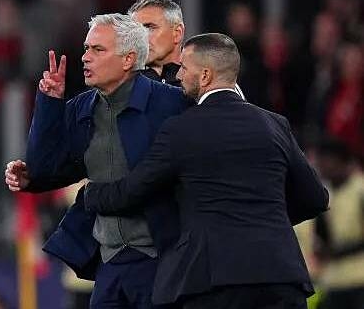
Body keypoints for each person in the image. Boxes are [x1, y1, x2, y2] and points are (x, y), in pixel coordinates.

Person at [83, 33, 329, 309]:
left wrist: (91, 194)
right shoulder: (275, 124)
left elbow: (133, 191)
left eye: (184, 67)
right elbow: (316, 198)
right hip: (280, 275)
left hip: (213, 280)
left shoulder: (181, 129)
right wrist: (266, 220)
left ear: (205, 75)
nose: (178, 76)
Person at [5, 14, 189, 308]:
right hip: (109, 261)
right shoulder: (83, 107)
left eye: (97, 49)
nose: (85, 57)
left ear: (128, 59)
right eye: (86, 48)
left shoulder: (172, 103)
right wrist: (50, 102)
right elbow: (43, 166)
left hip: (161, 259)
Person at [312, 137, 364, 309]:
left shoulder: (360, 189)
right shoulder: (325, 195)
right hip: (333, 281)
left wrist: (338, 251)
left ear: (343, 161)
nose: (323, 166)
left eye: (328, 161)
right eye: (320, 162)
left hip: (359, 279)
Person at [127, 0, 185, 86]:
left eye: (149, 28)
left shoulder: (200, 81)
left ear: (177, 33)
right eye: (135, 31)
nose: (140, 38)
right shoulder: (123, 84)